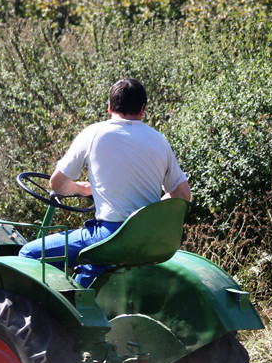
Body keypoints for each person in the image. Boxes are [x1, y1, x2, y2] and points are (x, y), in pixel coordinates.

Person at [20, 77, 191, 286]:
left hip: (110, 237)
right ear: (142, 109)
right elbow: (183, 194)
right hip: (149, 241)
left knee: (28, 253)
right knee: (93, 265)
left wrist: (82, 190)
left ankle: (45, 316)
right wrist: (149, 214)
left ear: (110, 107)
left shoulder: (94, 133)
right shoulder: (159, 140)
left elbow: (57, 184)